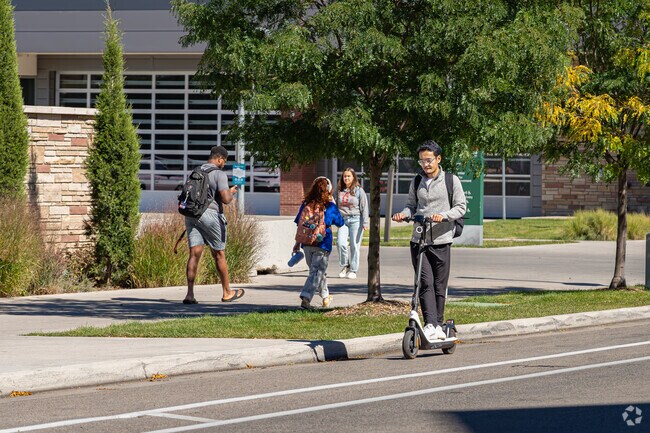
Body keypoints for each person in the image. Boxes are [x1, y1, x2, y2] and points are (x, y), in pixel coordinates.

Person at [392, 140, 466, 341]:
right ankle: (430, 324)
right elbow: (411, 206)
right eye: (422, 161)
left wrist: (443, 215)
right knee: (424, 283)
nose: (425, 164)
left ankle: (440, 325)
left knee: (439, 285)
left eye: (429, 160)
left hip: (441, 239)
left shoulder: (451, 180)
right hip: (419, 239)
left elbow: (461, 207)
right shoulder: (417, 181)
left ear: (438, 159)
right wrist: (402, 214)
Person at [182, 145, 245, 304]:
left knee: (194, 254)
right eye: (224, 161)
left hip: (192, 215)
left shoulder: (196, 171)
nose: (224, 163)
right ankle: (227, 292)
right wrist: (231, 193)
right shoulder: (219, 173)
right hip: (210, 214)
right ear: (219, 159)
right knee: (219, 254)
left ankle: (190, 294)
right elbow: (225, 199)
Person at [293, 176, 344, 309]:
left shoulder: (306, 204)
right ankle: (306, 297)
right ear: (328, 190)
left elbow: (299, 223)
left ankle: (326, 297)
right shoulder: (330, 206)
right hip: (323, 244)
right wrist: (332, 202)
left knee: (317, 272)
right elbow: (340, 222)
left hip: (306, 243)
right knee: (317, 273)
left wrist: (297, 243)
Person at [335, 168, 369, 279]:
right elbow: (335, 205)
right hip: (343, 220)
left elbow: (364, 207)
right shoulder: (340, 190)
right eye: (345, 176)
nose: (346, 178)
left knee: (355, 245)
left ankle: (353, 270)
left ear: (353, 177)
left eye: (349, 176)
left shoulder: (359, 190)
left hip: (356, 220)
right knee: (341, 243)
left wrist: (365, 222)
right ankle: (345, 265)